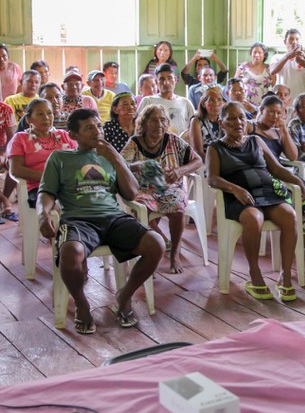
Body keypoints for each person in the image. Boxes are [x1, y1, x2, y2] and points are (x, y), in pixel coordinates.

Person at [38, 109, 164, 333]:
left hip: (113, 218)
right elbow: (46, 193)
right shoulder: (60, 158)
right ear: (73, 135)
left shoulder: (110, 157)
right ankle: (81, 302)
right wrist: (43, 213)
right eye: (89, 128)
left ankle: (124, 295)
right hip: (78, 221)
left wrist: (116, 158)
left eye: (99, 125)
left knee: (156, 244)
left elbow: (132, 193)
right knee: (69, 252)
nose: (97, 131)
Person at [207, 102, 305, 302]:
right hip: (240, 198)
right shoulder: (215, 148)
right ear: (221, 123)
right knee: (253, 218)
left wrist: (298, 181)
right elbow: (212, 178)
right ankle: (255, 275)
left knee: (290, 216)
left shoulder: (255, 141)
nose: (238, 122)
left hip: (268, 193)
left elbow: (276, 169)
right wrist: (235, 188)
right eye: (232, 118)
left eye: (242, 117)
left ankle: (285, 276)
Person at [122, 104, 203, 274]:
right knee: (141, 209)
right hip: (143, 190)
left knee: (178, 206)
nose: (159, 124)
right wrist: (139, 165)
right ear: (144, 123)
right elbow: (122, 165)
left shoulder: (173, 140)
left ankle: (174, 253)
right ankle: (157, 247)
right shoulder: (135, 142)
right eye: (153, 120)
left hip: (170, 188)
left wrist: (179, 171)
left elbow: (197, 161)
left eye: (163, 120)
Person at [9, 99, 77, 209]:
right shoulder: (20, 138)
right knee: (58, 206)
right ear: (28, 119)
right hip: (40, 187)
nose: (46, 117)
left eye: (49, 113)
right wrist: (52, 178)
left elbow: (78, 160)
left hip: (69, 185)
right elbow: (16, 169)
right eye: (40, 114)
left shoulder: (64, 135)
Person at [137, 63, 195, 136]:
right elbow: (138, 128)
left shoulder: (185, 103)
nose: (166, 82)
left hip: (181, 145)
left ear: (175, 80)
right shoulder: (148, 101)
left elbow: (194, 129)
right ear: (156, 82)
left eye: (169, 78)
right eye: (162, 79)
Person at [269, 29, 305, 96]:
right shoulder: (276, 58)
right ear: (285, 42)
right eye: (291, 39)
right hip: (281, 101)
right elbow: (272, 71)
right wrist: (287, 56)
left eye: (297, 39)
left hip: (300, 102)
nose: (294, 42)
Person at [251, 95, 298, 162]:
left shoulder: (279, 133)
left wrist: (284, 130)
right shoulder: (251, 127)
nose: (275, 116)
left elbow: (293, 157)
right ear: (261, 110)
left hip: (275, 170)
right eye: (272, 112)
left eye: (279, 113)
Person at [189, 85, 226, 161]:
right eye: (211, 100)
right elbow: (198, 152)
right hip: (205, 163)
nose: (216, 103)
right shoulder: (196, 121)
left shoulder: (225, 120)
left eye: (219, 100)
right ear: (203, 104)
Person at [0, 99, 15, 220]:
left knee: (13, 165)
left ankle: (3, 200)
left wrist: (4, 154)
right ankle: (4, 200)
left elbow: (11, 137)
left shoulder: (5, 109)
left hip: (2, 148)